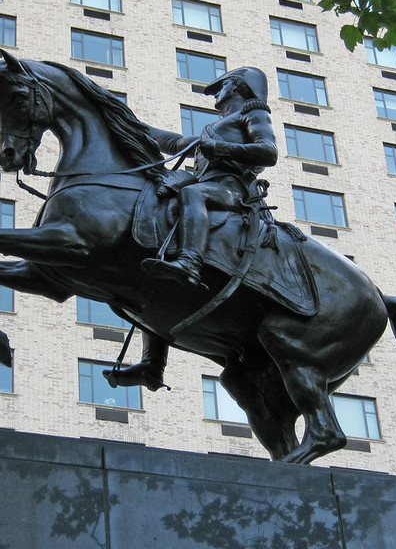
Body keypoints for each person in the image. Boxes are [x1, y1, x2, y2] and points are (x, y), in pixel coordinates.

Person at [103, 67, 278, 391]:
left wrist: (222, 150)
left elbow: (269, 152)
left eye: (222, 85)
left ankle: (190, 262)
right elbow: (174, 142)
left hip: (231, 191)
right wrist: (124, 123)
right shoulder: (215, 128)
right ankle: (152, 364)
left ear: (239, 86)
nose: (216, 92)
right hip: (209, 188)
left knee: (191, 193)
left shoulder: (254, 115)